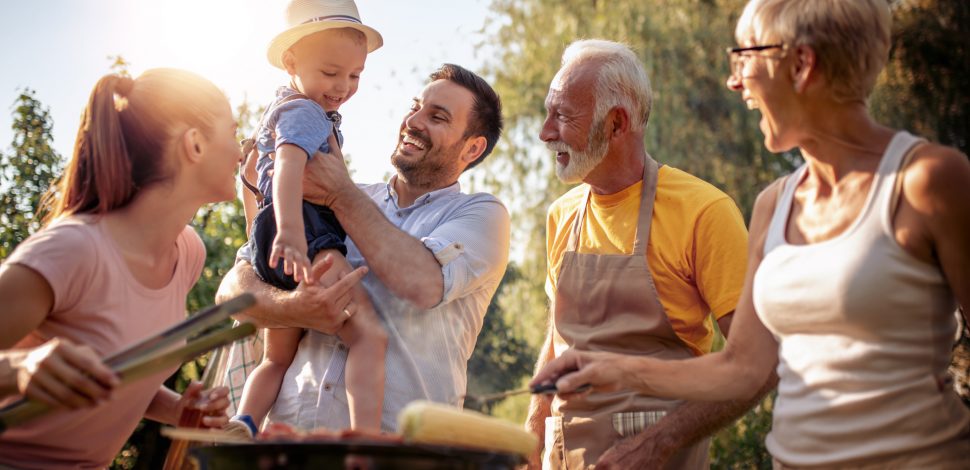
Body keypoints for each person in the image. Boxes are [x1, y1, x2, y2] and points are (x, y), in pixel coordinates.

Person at [533, 1, 970, 468]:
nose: (733, 80)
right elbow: (746, 368)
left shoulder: (929, 180)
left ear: (801, 65)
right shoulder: (774, 204)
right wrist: (612, 371)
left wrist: (656, 440)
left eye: (745, 58)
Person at [217, 63, 510, 432]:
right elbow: (231, 291)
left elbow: (422, 283)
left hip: (394, 455)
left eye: (437, 116)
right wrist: (294, 309)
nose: (413, 121)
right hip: (287, 443)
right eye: (415, 106)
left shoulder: (482, 214)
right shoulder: (344, 196)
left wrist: (341, 194)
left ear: (472, 148)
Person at [523, 39, 763, 470]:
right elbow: (559, 338)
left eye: (562, 116)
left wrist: (657, 444)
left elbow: (757, 367)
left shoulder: (704, 212)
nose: (545, 132)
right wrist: (533, 428)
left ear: (617, 124)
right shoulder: (562, 215)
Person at [0, 69, 236, 469]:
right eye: (233, 132)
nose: (241, 149)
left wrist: (179, 410)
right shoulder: (73, 249)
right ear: (194, 144)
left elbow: (114, 376)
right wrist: (20, 369)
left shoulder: (186, 253)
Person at [228, 0, 387, 437]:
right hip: (303, 227)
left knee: (275, 358)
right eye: (331, 73)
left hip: (272, 234)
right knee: (369, 336)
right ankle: (367, 437)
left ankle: (243, 421)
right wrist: (295, 235)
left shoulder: (285, 107)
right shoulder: (305, 111)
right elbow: (288, 168)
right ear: (291, 62)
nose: (343, 87)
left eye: (355, 76)